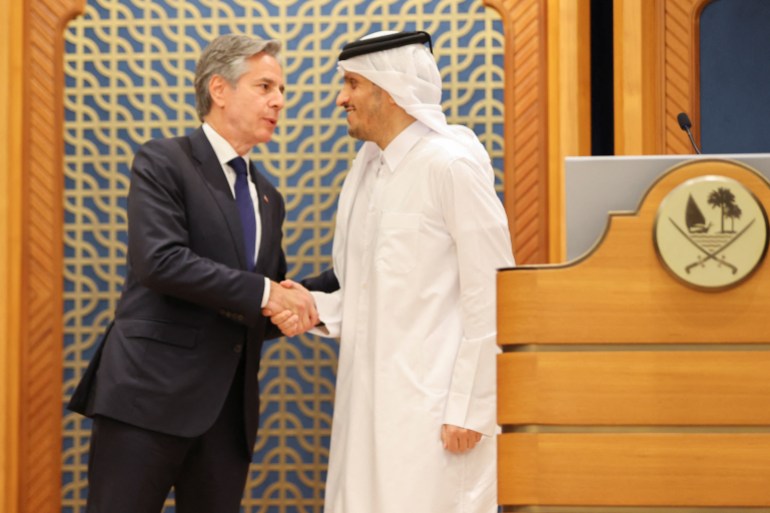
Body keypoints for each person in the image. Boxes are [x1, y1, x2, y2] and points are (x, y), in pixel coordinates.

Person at [67, 34, 317, 513]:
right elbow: (160, 262)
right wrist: (269, 294)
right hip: (146, 400)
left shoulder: (269, 196)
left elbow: (257, 305)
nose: (279, 101)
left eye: (282, 90)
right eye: (265, 86)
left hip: (227, 416)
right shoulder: (163, 161)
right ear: (219, 90)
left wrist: (317, 297)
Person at [268, 30, 515, 513]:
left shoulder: (452, 165)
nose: (341, 99)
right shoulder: (366, 169)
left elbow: (494, 292)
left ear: (390, 88)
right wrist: (313, 306)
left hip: (438, 413)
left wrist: (472, 407)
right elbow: (367, 287)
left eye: (352, 84)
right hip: (367, 404)